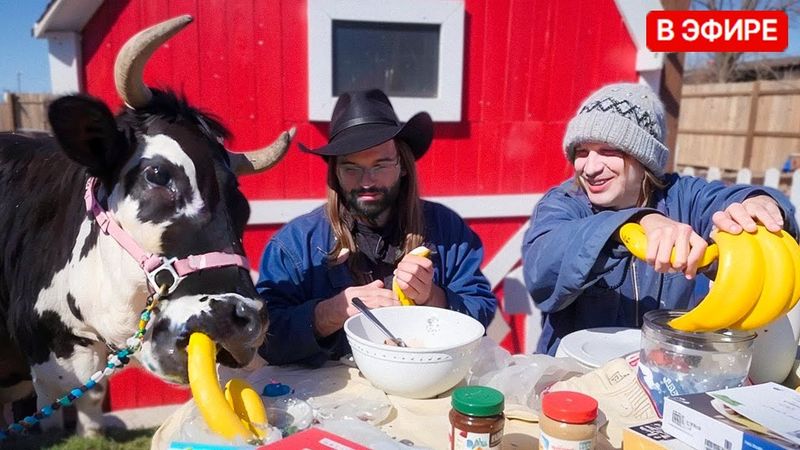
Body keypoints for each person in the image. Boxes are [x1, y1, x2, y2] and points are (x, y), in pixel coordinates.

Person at [522, 82, 798, 356]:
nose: (590, 167)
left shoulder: (684, 197)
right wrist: (633, 224)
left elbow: (728, 199)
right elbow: (542, 269)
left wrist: (761, 203)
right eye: (582, 152)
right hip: (577, 379)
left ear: (645, 158)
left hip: (671, 369)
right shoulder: (564, 203)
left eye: (609, 151)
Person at [256, 89, 497, 366]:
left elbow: (482, 311)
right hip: (331, 395)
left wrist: (433, 297)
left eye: (380, 165)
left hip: (424, 382)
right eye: (351, 168)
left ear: (403, 166)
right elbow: (266, 339)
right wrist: (329, 313)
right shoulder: (296, 243)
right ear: (335, 171)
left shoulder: (446, 229)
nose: (366, 181)